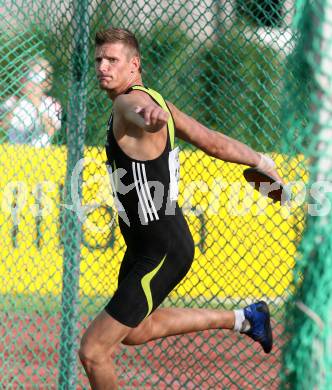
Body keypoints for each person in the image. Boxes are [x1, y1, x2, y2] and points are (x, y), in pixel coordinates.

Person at [79, 27, 283, 389]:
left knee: (94, 351)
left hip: (160, 248)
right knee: (136, 331)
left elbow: (139, 110)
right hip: (150, 244)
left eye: (112, 60)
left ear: (134, 65)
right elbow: (211, 142)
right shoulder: (159, 103)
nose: (102, 67)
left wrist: (149, 115)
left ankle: (247, 319)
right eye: (99, 60)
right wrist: (262, 161)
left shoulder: (129, 103)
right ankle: (246, 319)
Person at [0, 57, 61, 146]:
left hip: (41, 153)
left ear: (44, 83)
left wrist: (36, 103)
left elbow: (51, 130)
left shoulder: (51, 103)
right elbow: (3, 126)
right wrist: (17, 102)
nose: (30, 83)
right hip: (14, 152)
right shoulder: (11, 102)